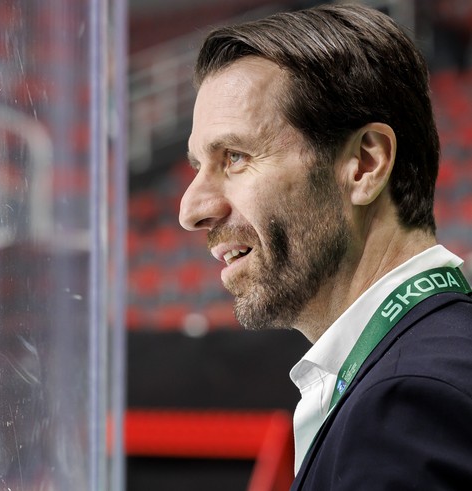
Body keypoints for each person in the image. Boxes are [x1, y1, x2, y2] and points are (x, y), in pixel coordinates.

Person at [178, 3, 472, 489]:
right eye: (195, 166)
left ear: (364, 165)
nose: (190, 209)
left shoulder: (405, 404)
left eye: (234, 157)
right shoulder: (427, 363)